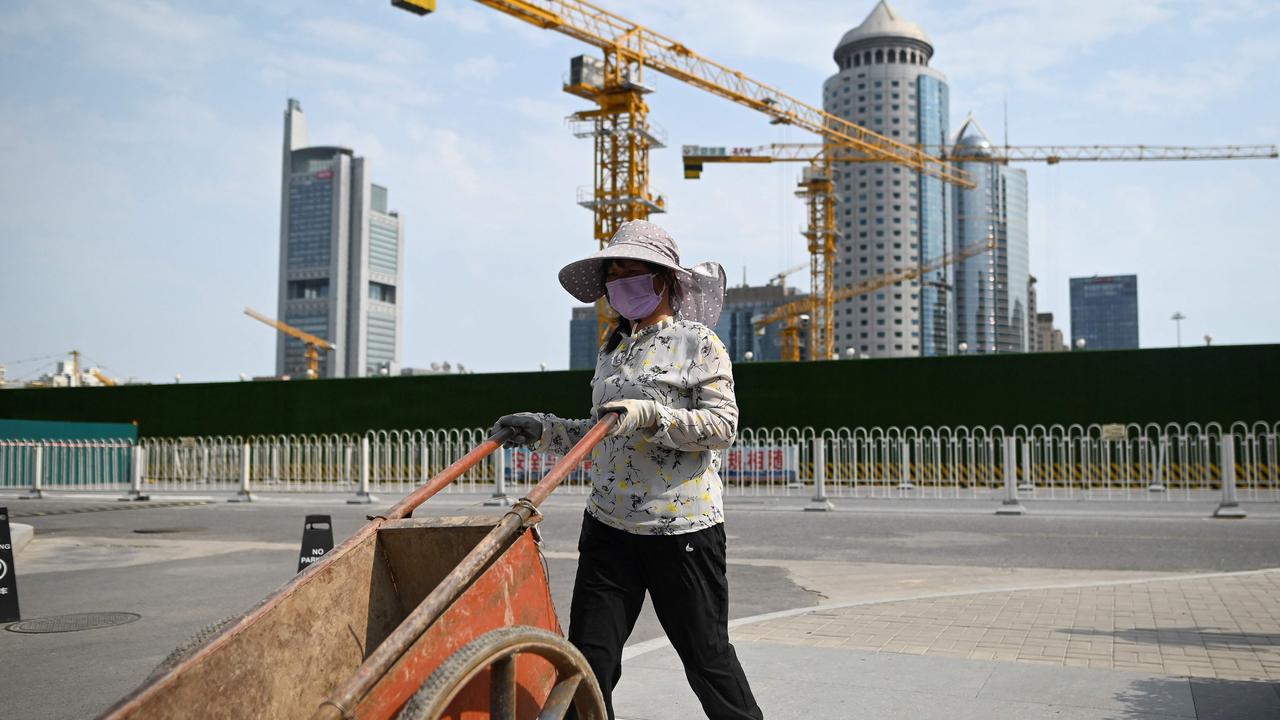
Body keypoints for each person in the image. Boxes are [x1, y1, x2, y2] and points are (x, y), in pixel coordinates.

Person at [492, 220, 762, 720]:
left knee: (707, 660)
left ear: (663, 280)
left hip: (681, 530)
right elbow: (598, 433)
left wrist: (651, 416)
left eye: (630, 271)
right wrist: (542, 429)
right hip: (610, 528)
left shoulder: (697, 343)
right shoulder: (613, 348)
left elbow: (722, 426)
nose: (619, 282)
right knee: (589, 663)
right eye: (612, 274)